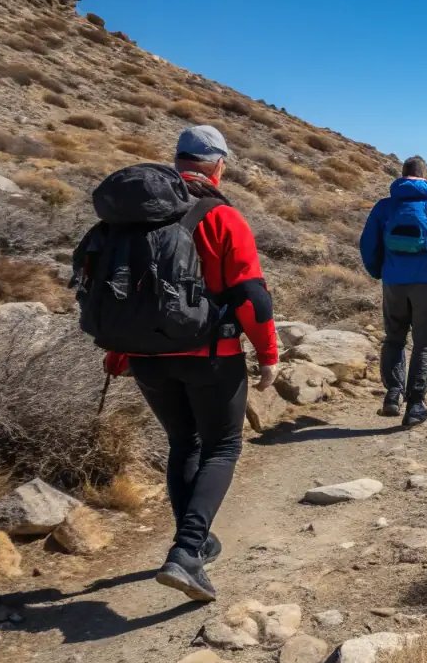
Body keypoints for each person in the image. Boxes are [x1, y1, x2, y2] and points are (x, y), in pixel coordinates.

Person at [73, 126, 278, 603]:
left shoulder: (126, 219)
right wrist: (268, 354)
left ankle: (196, 542)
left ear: (177, 160)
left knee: (182, 443)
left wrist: (121, 346)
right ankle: (187, 552)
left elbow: (111, 290)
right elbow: (251, 294)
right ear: (219, 166)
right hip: (211, 355)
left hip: (145, 357)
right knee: (222, 446)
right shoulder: (220, 217)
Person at [360, 155, 427, 427]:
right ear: (426, 177)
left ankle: (393, 394)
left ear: (402, 175)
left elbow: (367, 243)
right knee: (425, 342)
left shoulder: (385, 207)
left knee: (394, 338)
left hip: (394, 283)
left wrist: (379, 272)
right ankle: (415, 405)